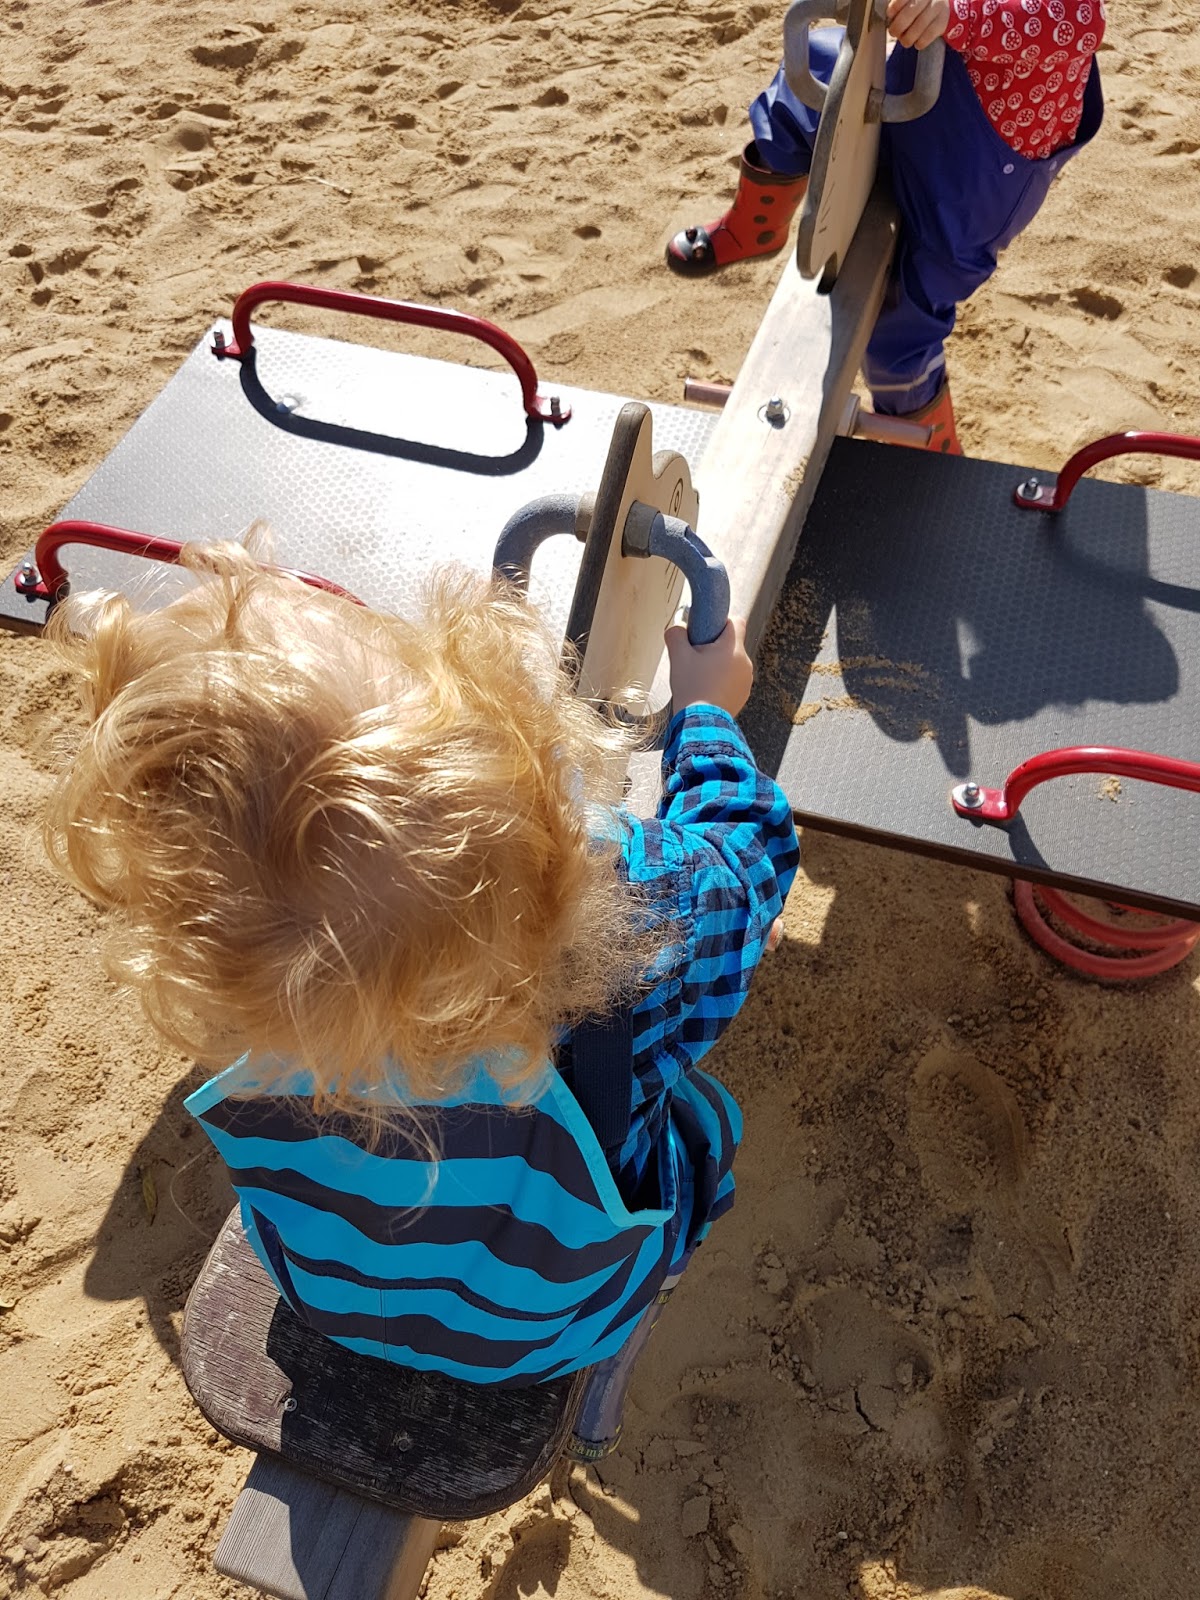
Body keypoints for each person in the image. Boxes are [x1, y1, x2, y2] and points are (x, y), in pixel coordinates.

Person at [43, 543, 798, 1459]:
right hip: (557, 1322)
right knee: (704, 1123)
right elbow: (751, 861)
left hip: (328, 1294)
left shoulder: (245, 989)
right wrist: (709, 712)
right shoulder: (643, 905)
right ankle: (617, 1351)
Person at [666, 0, 1106, 452]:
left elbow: (1079, 21)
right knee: (813, 73)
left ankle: (928, 454)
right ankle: (756, 225)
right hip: (915, 93)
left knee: (901, 323)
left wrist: (961, 13)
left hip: (975, 180)